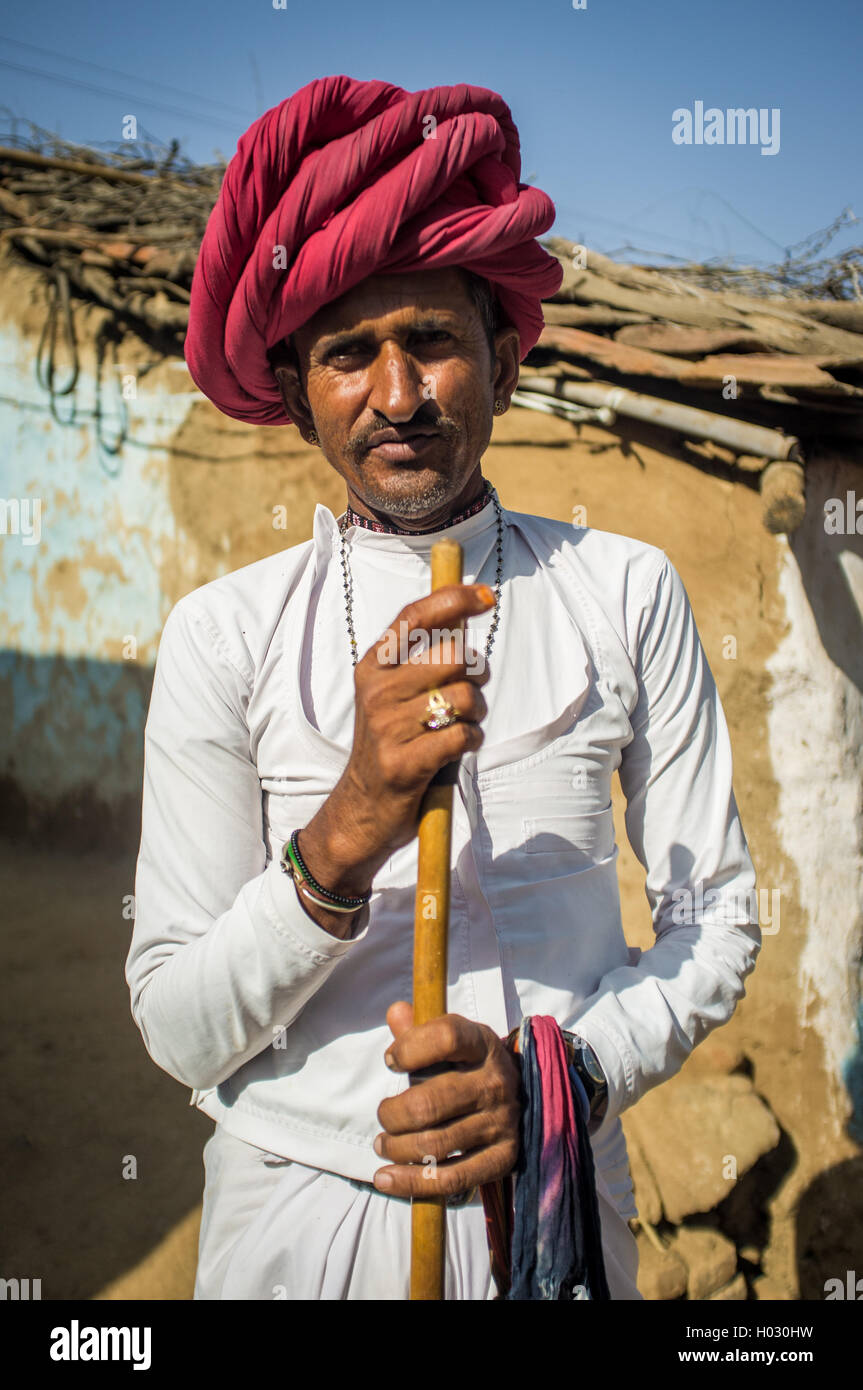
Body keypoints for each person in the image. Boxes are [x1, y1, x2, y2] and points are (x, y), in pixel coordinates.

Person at [125, 75, 761, 1301]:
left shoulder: (624, 591)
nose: (397, 393)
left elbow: (716, 917)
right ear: (300, 394)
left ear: (503, 363)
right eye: (347, 354)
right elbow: (182, 1029)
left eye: (431, 341)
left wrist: (555, 1077)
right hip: (295, 1224)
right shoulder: (222, 635)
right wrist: (349, 826)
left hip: (553, 1210)